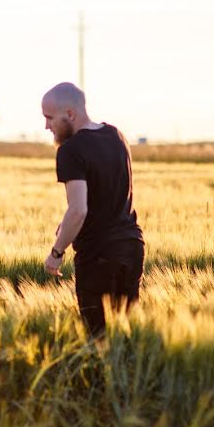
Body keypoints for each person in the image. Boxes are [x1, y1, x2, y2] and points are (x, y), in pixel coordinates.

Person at [41, 82, 144, 337]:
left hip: (98, 256)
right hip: (131, 247)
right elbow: (108, 194)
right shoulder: (116, 135)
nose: (46, 126)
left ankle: (103, 378)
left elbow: (79, 210)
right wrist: (67, 226)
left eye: (49, 118)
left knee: (97, 339)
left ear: (70, 115)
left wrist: (56, 252)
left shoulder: (70, 150)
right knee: (126, 337)